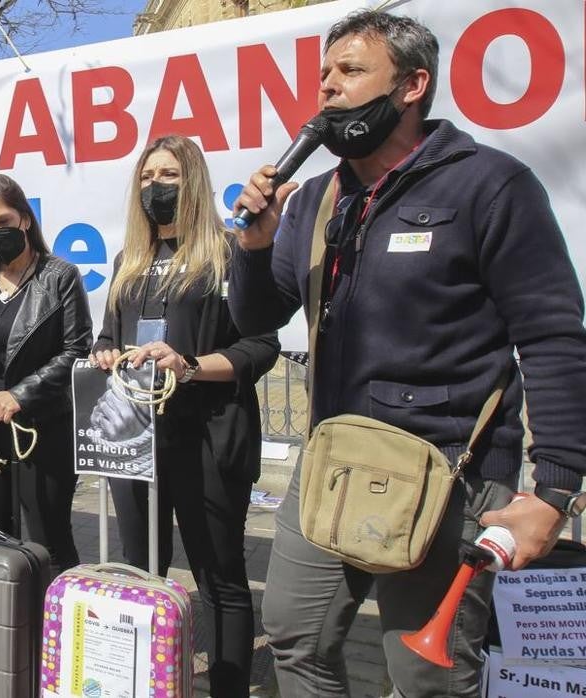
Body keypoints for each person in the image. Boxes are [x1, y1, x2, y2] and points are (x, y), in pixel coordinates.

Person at [228, 10, 586, 696]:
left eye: (352, 72)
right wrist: (251, 249)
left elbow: (553, 336)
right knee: (295, 638)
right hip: (331, 463)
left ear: (413, 85)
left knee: (425, 675)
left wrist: (557, 490)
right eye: (324, 75)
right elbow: (257, 319)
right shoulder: (313, 199)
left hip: (449, 473)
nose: (328, 88)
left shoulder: (489, 185)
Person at [88, 136, 279, 697]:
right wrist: (105, 354)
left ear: (192, 179)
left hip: (208, 437)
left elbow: (261, 346)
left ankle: (228, 687)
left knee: (218, 577)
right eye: (146, 177)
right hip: (136, 440)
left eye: (167, 174)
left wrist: (190, 366)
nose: (155, 186)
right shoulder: (130, 261)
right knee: (141, 569)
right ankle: (147, 679)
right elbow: (108, 334)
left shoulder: (228, 251)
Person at [0, 173, 90, 572]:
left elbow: (76, 350)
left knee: (47, 535)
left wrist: (20, 395)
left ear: (25, 219)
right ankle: (4, 624)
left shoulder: (59, 276)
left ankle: (54, 623)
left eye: (3, 222)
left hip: (41, 426)